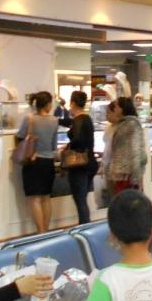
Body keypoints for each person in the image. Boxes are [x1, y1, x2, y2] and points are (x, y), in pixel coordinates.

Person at [16, 91, 60, 234]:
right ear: (47, 104)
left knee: (35, 198)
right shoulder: (54, 121)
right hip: (48, 162)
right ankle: (46, 230)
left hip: (33, 162)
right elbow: (54, 146)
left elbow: (20, 136)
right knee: (46, 198)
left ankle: (40, 232)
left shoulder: (29, 119)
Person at [61, 90, 97, 224]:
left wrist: (67, 147)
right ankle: (85, 225)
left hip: (79, 164)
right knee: (82, 199)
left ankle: (84, 227)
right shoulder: (86, 119)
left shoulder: (78, 120)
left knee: (80, 200)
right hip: (90, 162)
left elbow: (78, 140)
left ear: (73, 103)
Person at [103, 96, 148, 198]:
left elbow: (136, 150)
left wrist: (136, 177)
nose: (115, 108)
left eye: (117, 106)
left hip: (128, 175)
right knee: (122, 201)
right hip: (121, 173)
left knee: (127, 202)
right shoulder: (122, 124)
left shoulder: (132, 124)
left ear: (122, 108)